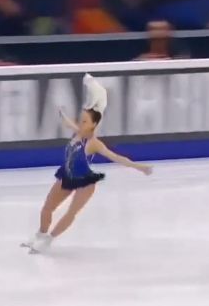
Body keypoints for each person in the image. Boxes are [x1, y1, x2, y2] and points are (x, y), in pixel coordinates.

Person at [23, 76, 152, 254]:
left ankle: (48, 240)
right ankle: (40, 235)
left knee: (70, 212)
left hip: (84, 182)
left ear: (93, 125)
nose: (80, 123)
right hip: (67, 175)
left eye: (84, 121)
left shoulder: (93, 143)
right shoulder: (78, 132)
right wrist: (62, 114)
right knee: (47, 207)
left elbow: (116, 157)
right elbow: (70, 123)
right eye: (80, 120)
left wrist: (140, 167)